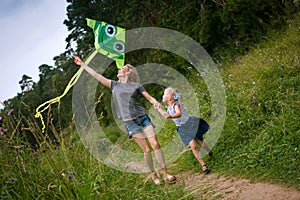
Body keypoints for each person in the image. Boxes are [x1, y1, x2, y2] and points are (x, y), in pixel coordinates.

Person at [74, 56, 176, 184]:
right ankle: (154, 175)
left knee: (155, 144)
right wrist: (82, 64)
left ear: (128, 72)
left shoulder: (136, 85)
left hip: (143, 118)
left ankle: (165, 174)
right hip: (130, 123)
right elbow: (97, 75)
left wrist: (155, 102)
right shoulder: (114, 85)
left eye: (123, 68)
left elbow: (149, 97)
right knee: (146, 149)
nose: (120, 69)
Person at [155, 87, 212, 173]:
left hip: (189, 124)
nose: (163, 96)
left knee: (200, 142)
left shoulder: (176, 105)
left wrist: (170, 116)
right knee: (193, 146)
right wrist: (159, 108)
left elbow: (178, 113)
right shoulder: (169, 108)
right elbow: (165, 115)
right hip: (182, 129)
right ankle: (203, 165)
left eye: (164, 94)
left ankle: (208, 151)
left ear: (170, 97)